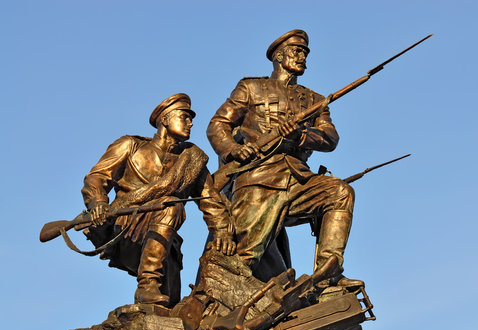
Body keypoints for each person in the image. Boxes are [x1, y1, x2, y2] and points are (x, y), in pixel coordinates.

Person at [207, 30, 361, 286]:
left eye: (305, 53)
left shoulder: (316, 100)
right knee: (244, 257)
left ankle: (328, 274)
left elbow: (331, 138)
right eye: (297, 51)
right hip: (259, 178)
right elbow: (218, 124)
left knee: (340, 192)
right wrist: (233, 149)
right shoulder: (251, 87)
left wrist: (302, 135)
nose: (303, 57)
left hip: (299, 178)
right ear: (279, 56)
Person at [82, 93, 235, 307]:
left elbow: (210, 200)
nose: (190, 123)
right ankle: (146, 284)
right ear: (165, 119)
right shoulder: (130, 145)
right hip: (125, 226)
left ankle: (150, 293)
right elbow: (97, 177)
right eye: (184, 117)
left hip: (163, 239)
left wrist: (222, 232)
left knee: (169, 305)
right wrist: (98, 203)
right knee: (171, 205)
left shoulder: (191, 159)